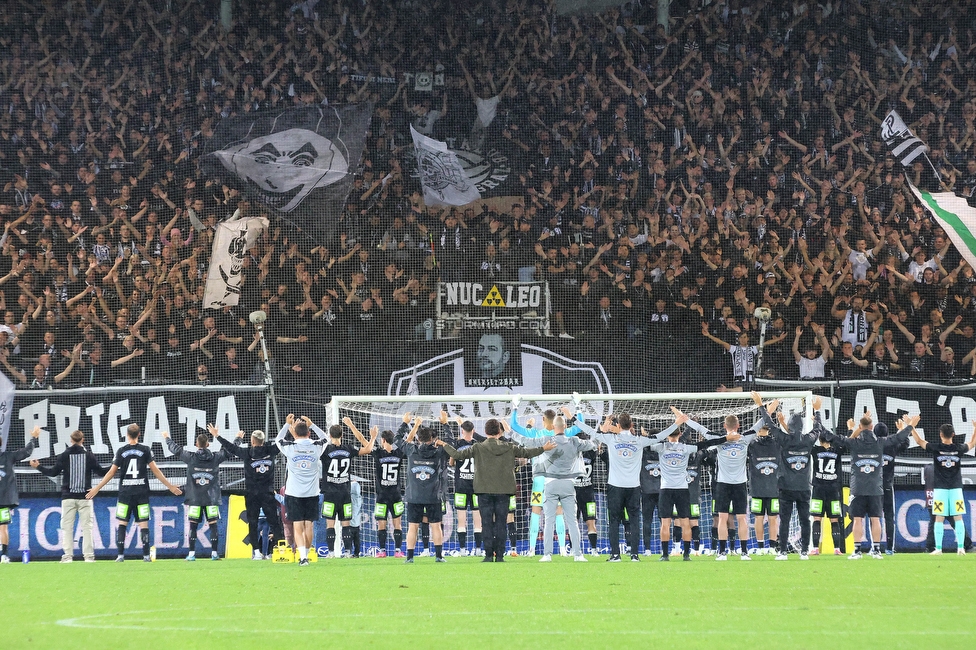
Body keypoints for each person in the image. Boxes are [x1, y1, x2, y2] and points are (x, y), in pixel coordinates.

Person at [437, 419, 552, 562]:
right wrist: (543, 449)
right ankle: (500, 556)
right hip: (504, 491)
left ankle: (488, 555)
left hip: (484, 490)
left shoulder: (478, 447)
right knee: (501, 523)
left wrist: (444, 444)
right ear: (499, 432)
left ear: (485, 432)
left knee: (486, 523)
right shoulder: (509, 447)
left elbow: (458, 455)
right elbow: (526, 453)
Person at [505, 415, 596, 562]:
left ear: (553, 427)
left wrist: (510, 432)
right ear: (565, 427)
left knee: (548, 520)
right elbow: (592, 444)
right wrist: (579, 410)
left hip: (548, 483)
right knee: (572, 520)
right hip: (568, 484)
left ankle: (546, 554)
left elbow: (525, 441)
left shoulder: (545, 440)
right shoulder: (574, 441)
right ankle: (577, 554)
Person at [824, 412, 914, 559]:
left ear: (860, 427)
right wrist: (910, 425)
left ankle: (857, 551)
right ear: (871, 427)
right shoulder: (880, 443)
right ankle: (877, 550)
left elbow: (833, 437)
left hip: (858, 487)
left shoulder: (854, 443)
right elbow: (899, 438)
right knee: (875, 519)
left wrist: (818, 421)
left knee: (857, 519)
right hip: (875, 488)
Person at [649, 410, 737, 561]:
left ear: (668, 434)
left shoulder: (660, 447)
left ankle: (664, 555)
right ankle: (686, 554)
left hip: (666, 489)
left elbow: (649, 440)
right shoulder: (686, 448)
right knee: (685, 522)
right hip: (682, 490)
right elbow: (707, 443)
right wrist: (725, 438)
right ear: (680, 434)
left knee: (665, 523)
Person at [87, 424, 182, 562]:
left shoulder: (121, 451)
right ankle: (145, 556)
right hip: (141, 493)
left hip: (125, 493)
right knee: (143, 524)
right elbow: (155, 470)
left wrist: (97, 488)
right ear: (139, 435)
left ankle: (120, 555)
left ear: (127, 435)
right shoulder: (145, 450)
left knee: (122, 523)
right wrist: (170, 486)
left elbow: (111, 472)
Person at [575, 412, 658, 562]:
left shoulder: (611, 438)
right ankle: (634, 555)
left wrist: (574, 418)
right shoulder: (639, 440)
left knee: (613, 520)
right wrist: (677, 424)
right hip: (634, 487)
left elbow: (590, 431)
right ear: (632, 425)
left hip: (615, 487)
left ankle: (615, 555)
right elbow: (660, 436)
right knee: (634, 520)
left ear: (618, 425)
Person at [682, 411, 762, 559]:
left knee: (722, 518)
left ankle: (722, 552)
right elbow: (760, 424)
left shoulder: (718, 439)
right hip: (740, 484)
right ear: (738, 425)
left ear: (724, 426)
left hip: (722, 485)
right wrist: (766, 408)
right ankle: (744, 552)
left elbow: (700, 429)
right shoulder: (745, 438)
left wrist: (685, 419)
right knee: (742, 518)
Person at [753, 393, 820, 560]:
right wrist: (817, 412)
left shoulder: (784, 439)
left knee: (785, 521)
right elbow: (818, 429)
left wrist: (761, 405)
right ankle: (804, 551)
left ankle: (782, 551)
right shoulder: (809, 439)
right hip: (804, 487)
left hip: (786, 487)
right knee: (805, 520)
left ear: (789, 426)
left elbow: (768, 423)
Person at [510, 399, 580, 555]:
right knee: (559, 514)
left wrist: (515, 406)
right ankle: (562, 549)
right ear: (556, 422)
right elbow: (580, 424)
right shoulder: (564, 433)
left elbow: (514, 426)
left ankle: (532, 550)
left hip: (539, 481)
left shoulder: (535, 434)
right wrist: (577, 407)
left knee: (535, 513)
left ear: (543, 420)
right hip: (556, 479)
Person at [30, 429, 107, 562]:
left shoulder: (64, 455)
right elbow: (100, 472)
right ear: (82, 440)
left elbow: (53, 472)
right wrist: (115, 466)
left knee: (67, 527)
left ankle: (67, 556)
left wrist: (38, 466)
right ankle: (88, 556)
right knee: (87, 527)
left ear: (71, 440)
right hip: (85, 497)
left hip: (68, 497)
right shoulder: (89, 456)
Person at [164, 426, 236, 561]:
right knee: (213, 524)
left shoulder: (190, 457)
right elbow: (230, 451)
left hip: (195, 498)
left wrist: (167, 438)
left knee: (193, 525)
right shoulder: (215, 457)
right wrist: (238, 438)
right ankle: (214, 553)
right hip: (211, 498)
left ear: (197, 444)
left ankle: (191, 554)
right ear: (208, 444)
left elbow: (175, 449)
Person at [213, 427, 285, 560]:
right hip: (268, 493)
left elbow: (230, 448)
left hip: (252, 494)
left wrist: (217, 436)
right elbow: (281, 441)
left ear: (252, 441)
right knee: (274, 523)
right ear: (263, 441)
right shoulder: (271, 450)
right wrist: (288, 428)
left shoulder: (246, 453)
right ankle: (281, 551)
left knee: (252, 523)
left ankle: (256, 553)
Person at [312, 417, 375, 558]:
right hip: (345, 493)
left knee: (330, 525)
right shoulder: (349, 448)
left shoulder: (325, 450)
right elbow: (369, 449)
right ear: (342, 435)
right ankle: (347, 552)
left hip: (329, 493)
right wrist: (371, 437)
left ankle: (331, 552)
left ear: (329, 435)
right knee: (345, 525)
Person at [911, 421, 976, 555]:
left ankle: (939, 549)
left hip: (940, 489)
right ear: (953, 434)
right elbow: (972, 443)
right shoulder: (959, 448)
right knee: (958, 517)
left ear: (941, 434)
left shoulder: (935, 448)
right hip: (956, 489)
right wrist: (975, 429)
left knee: (939, 518)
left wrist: (911, 426)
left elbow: (919, 441)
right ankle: (961, 548)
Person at [275, 415, 327, 566]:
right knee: (309, 525)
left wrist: (286, 425)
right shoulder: (316, 446)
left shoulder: (290, 447)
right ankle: (306, 554)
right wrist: (312, 425)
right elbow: (325, 438)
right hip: (312, 493)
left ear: (294, 434)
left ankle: (302, 557)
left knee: (297, 525)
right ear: (309, 433)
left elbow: (278, 439)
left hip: (294, 493)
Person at [396, 417, 450, 563]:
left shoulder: (411, 449)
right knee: (436, 526)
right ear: (432, 439)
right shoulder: (439, 451)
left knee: (413, 527)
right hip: (433, 495)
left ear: (418, 439)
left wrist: (406, 423)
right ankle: (438, 556)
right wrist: (445, 424)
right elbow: (451, 443)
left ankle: (409, 557)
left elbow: (397, 438)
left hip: (414, 496)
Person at [0, 426, 40, 563]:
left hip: (3, 501)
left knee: (2, 528)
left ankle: (3, 555)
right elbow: (26, 452)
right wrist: (33, 438)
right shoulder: (8, 457)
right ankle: (3, 555)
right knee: (3, 528)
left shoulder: (8, 456)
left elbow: (25, 452)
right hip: (4, 501)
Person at [449, 417, 485, 557]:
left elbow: (451, 463)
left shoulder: (457, 444)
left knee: (461, 521)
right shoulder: (479, 445)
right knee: (478, 521)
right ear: (474, 431)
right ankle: (478, 550)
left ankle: (462, 550)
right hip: (476, 487)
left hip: (461, 487)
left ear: (462, 431)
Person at [746, 420, 781, 555]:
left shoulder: (752, 444)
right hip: (774, 487)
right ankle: (772, 547)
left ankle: (760, 547)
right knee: (773, 518)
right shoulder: (777, 443)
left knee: (758, 518)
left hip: (757, 488)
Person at [811, 427, 846, 555]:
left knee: (817, 519)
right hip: (833, 490)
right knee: (834, 520)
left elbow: (807, 442)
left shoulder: (815, 450)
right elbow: (846, 442)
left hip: (818, 490)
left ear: (820, 440)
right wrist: (850, 429)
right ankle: (837, 548)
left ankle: (815, 548)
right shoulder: (837, 451)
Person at [372, 427, 406, 558]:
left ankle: (382, 551)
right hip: (396, 495)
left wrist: (372, 437)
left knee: (382, 523)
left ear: (383, 440)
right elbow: (408, 440)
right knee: (397, 523)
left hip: (382, 496)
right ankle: (398, 551)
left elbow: (363, 442)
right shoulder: (398, 453)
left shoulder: (378, 453)